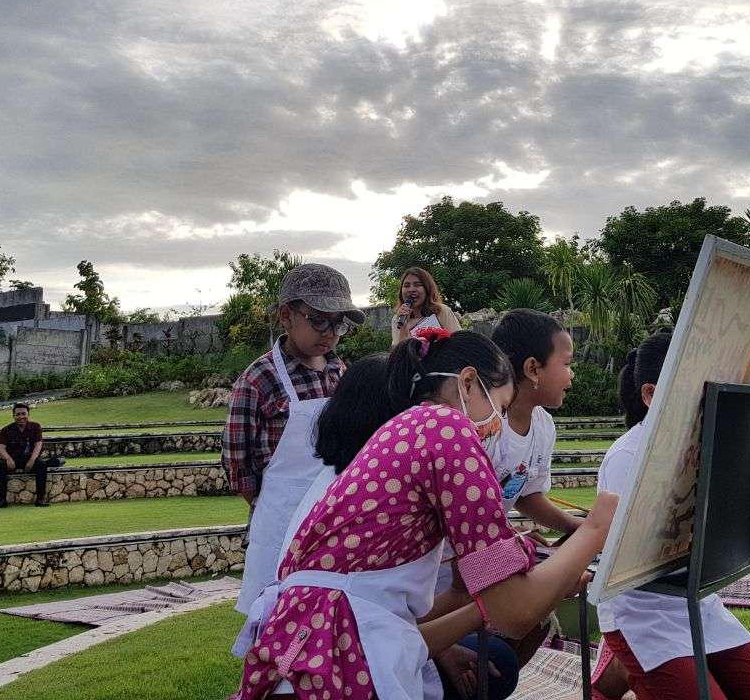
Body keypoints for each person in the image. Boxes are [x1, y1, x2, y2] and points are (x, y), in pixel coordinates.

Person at [235, 327, 617, 700]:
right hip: (332, 647)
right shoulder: (448, 427)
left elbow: (401, 621)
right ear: (468, 382)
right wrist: (596, 527)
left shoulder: (408, 427)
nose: (496, 428)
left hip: (312, 641)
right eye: (499, 408)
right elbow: (514, 611)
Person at [596, 332, 750, 700]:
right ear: (650, 395)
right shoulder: (627, 458)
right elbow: (632, 564)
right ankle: (623, 665)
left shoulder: (705, 446)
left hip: (697, 602)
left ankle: (624, 670)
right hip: (643, 612)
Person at [224, 263, 363, 615]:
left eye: (339, 324)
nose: (330, 334)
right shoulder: (258, 380)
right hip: (279, 522)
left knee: (326, 619)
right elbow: (237, 464)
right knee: (272, 618)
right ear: (287, 316)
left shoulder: (341, 373)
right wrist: (278, 501)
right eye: (319, 321)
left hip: (332, 521)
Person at [489, 309, 585, 533]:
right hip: (452, 553)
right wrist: (509, 539)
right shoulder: (484, 427)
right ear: (532, 368)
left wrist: (579, 527)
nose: (571, 374)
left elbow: (525, 494)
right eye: (567, 364)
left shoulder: (543, 426)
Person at [391, 267, 460, 344]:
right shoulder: (397, 320)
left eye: (417, 285)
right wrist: (404, 327)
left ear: (427, 289)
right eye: (406, 286)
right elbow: (400, 350)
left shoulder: (441, 311)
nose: (411, 289)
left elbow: (459, 342)